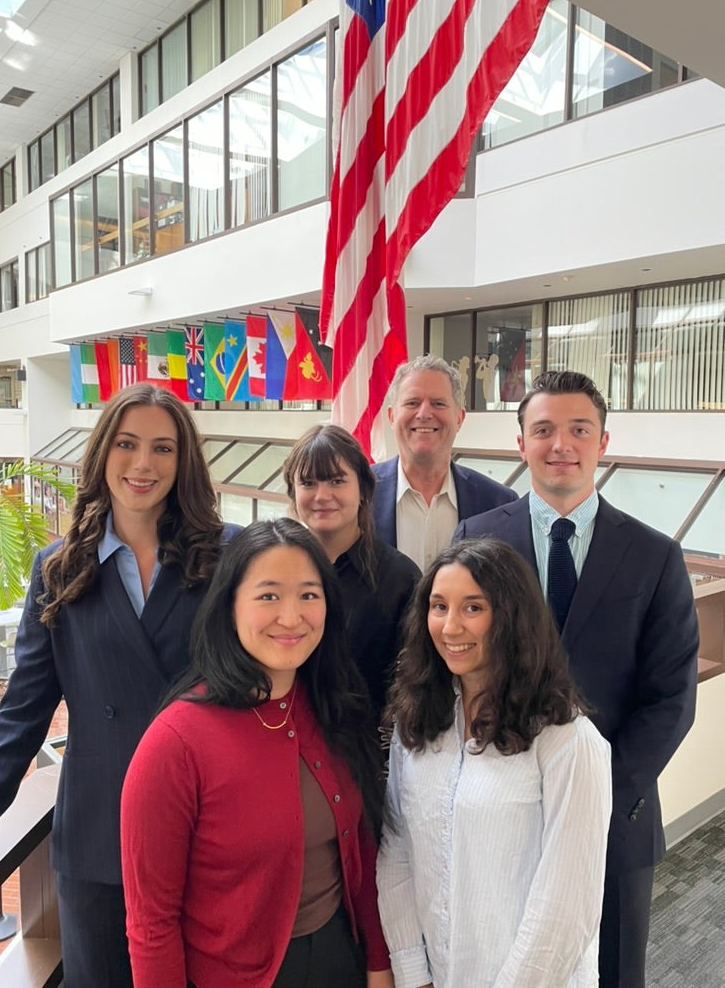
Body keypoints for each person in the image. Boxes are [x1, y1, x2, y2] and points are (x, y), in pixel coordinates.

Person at [0, 382, 240, 988]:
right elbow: (22, 716)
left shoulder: (226, 557)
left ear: (183, 461)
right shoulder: (59, 568)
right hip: (98, 839)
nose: (144, 465)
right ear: (102, 453)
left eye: (163, 449)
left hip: (207, 828)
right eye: (127, 444)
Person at [453, 371, 699, 988]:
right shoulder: (475, 540)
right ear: (521, 444)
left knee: (615, 972)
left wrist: (598, 794)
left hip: (615, 817)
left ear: (602, 440)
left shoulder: (654, 555)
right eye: (543, 430)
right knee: (502, 964)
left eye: (578, 429)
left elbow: (670, 697)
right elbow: (453, 669)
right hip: (500, 806)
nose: (560, 443)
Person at [120, 518, 393, 988]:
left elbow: (363, 850)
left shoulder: (333, 708)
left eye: (309, 594)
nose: (291, 617)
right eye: (268, 595)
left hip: (338, 960)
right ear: (229, 606)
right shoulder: (175, 743)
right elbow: (152, 924)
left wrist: (378, 962)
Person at [377, 538, 611, 988]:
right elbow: (397, 852)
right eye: (439, 606)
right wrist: (413, 973)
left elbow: (567, 904)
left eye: (473, 607)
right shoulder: (419, 723)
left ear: (510, 617)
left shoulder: (567, 741)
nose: (449, 626)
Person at [283, 423, 420, 719]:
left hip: (364, 752)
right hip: (280, 741)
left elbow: (415, 686)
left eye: (336, 481)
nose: (321, 495)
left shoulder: (400, 579)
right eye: (308, 483)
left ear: (363, 489)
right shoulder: (275, 571)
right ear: (293, 493)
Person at [371, 355, 517, 570]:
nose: (424, 413)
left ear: (459, 418)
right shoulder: (358, 495)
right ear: (392, 417)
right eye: (412, 403)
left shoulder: (500, 503)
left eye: (438, 403)